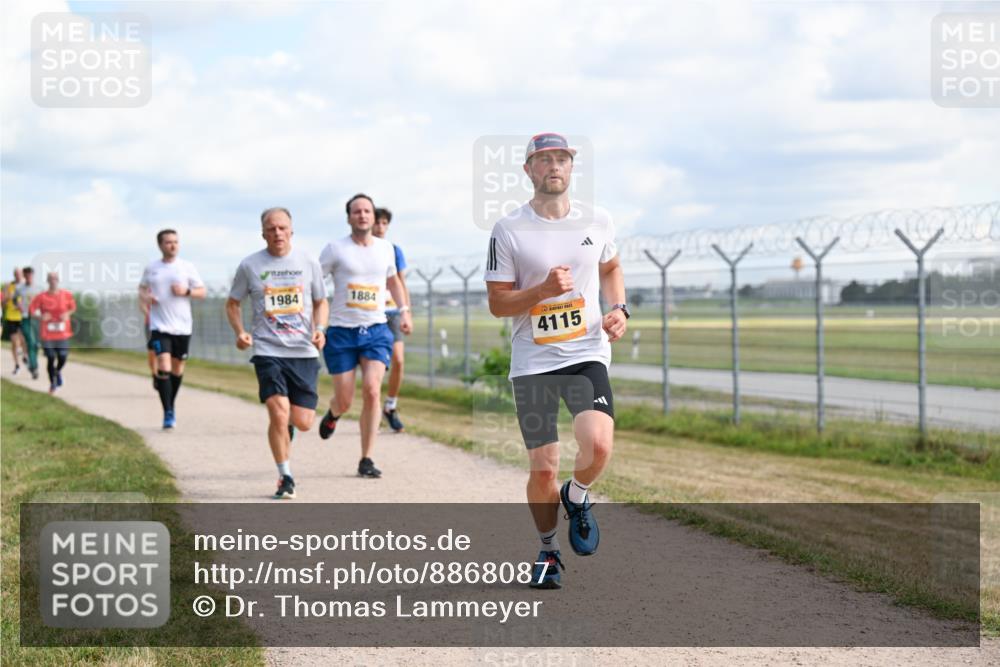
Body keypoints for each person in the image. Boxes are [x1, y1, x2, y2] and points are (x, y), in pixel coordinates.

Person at [483, 133, 628, 590]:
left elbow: (610, 267)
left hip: (586, 352)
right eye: (543, 159)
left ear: (571, 167)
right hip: (533, 362)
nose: (554, 165)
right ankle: (547, 550)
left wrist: (619, 308)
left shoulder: (597, 219)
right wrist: (541, 292)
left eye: (561, 158)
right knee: (543, 466)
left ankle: (578, 494)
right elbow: (498, 304)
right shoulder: (508, 230)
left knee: (599, 446)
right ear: (528, 170)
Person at [226, 207, 328, 499]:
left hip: (304, 352)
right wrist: (240, 332)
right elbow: (232, 303)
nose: (277, 233)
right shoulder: (250, 265)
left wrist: (321, 328)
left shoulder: (308, 261)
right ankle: (285, 477)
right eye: (271, 229)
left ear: (291, 231)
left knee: (304, 421)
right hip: (268, 349)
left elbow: (321, 301)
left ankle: (288, 430)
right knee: (278, 412)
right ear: (263, 233)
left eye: (282, 228)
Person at [318, 194, 412, 478]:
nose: (362, 215)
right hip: (341, 332)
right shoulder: (335, 249)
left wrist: (404, 310)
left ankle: (366, 458)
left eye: (367, 211)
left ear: (373, 216)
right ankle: (334, 413)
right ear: (349, 218)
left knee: (372, 391)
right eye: (356, 211)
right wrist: (316, 313)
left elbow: (393, 281)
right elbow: (315, 281)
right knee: (345, 399)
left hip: (376, 329)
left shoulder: (386, 249)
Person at [139, 229, 207, 429]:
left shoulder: (187, 267)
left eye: (176, 242)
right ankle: (167, 411)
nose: (173, 245)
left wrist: (186, 291)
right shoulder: (152, 268)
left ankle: (170, 402)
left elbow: (202, 292)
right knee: (164, 365)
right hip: (159, 326)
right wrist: (146, 300)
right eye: (168, 242)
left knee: (177, 369)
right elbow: (142, 290)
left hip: (183, 326)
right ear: (160, 245)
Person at [372, 207, 411, 432]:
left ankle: (390, 406)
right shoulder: (364, 249)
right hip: (372, 313)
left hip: (393, 311)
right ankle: (373, 409)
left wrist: (407, 312)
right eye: (377, 222)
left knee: (398, 360)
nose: (380, 227)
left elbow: (401, 283)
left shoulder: (394, 251)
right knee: (376, 365)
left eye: (384, 223)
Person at [29, 272, 77, 393]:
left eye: (55, 278)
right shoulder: (41, 297)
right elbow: (32, 310)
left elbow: (72, 308)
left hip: (62, 333)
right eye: (51, 279)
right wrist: (41, 316)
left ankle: (57, 371)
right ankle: (53, 384)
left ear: (58, 280)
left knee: (62, 356)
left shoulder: (66, 295)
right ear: (47, 281)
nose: (53, 281)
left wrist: (67, 314)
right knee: (50, 357)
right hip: (47, 334)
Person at [3, 268, 26, 374]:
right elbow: (2, 303)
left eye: (19, 274)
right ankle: (17, 365)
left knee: (23, 339)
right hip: (11, 317)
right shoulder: (8, 286)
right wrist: (7, 298)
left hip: (22, 316)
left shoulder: (26, 286)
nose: (18, 275)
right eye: (16, 274)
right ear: (14, 275)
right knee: (13, 342)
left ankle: (25, 355)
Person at [18, 268, 40, 380]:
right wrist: (19, 306)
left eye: (30, 275)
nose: (29, 277)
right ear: (24, 276)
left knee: (36, 344)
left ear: (33, 275)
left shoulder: (38, 288)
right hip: (25, 317)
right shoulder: (20, 288)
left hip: (36, 318)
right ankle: (34, 367)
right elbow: (14, 299)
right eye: (26, 275)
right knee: (31, 342)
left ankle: (32, 363)